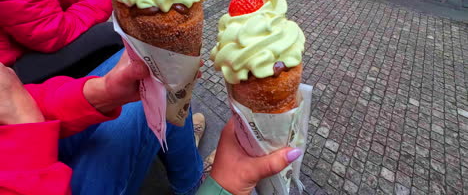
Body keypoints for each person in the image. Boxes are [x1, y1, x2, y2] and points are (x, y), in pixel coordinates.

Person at [0, 60, 302, 195]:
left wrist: (100, 94)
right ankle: (195, 181)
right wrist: (225, 189)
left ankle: (181, 155)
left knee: (155, 81)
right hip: (29, 174)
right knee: (152, 101)